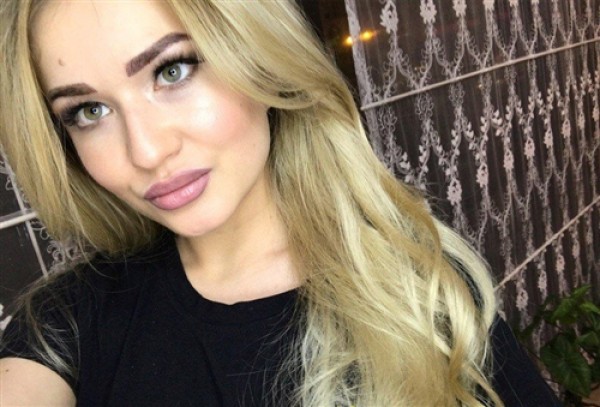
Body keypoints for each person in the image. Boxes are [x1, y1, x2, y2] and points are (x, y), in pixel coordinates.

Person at [0, 1, 561, 406]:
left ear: (260, 59)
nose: (146, 152)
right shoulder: (67, 322)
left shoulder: (417, 286)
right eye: (89, 112)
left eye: (172, 70)